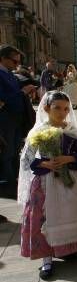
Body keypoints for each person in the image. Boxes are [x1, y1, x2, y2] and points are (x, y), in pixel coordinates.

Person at [18, 91, 77, 280]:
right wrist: (44, 163)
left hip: (68, 182)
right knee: (43, 217)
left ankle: (66, 249)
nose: (62, 112)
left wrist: (69, 157)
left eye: (66, 109)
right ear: (46, 108)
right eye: (57, 108)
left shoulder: (71, 130)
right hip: (44, 182)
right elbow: (27, 158)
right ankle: (46, 259)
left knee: (68, 213)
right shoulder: (39, 131)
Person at [0, 45, 26, 197]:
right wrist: (22, 92)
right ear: (3, 58)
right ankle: (7, 185)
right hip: (5, 120)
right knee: (7, 152)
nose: (17, 65)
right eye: (14, 61)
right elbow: (4, 98)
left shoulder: (10, 74)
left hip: (15, 119)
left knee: (14, 151)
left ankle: (13, 182)